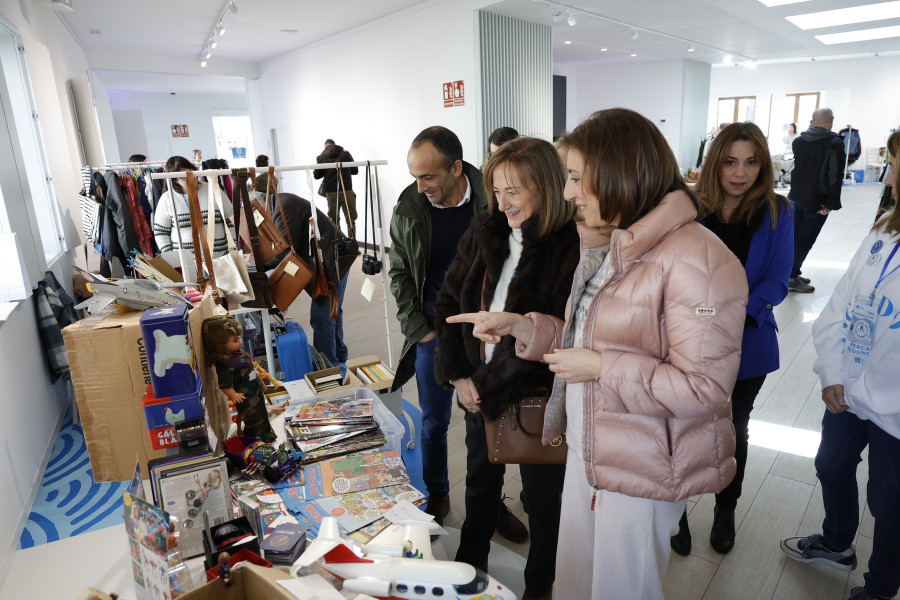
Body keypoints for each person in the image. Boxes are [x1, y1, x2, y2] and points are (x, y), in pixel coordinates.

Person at [447, 108, 748, 599]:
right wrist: (526, 326)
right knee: (577, 583)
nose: (566, 193)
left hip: (640, 467)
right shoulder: (615, 245)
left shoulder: (699, 259)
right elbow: (589, 336)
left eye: (574, 178)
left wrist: (603, 367)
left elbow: (705, 388)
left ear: (619, 173)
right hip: (592, 451)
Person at [434, 136, 579, 600]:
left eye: (513, 191)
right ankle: (467, 573)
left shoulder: (571, 244)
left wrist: (491, 374)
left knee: (543, 501)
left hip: (539, 395)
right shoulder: (485, 230)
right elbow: (450, 300)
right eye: (497, 191)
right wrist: (459, 376)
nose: (503, 203)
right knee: (479, 488)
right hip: (478, 389)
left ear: (547, 186)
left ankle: (540, 587)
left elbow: (569, 332)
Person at [780, 129, 900, 600]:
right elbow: (842, 304)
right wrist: (833, 373)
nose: (888, 175)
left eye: (894, 165)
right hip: (847, 390)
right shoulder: (883, 228)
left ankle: (881, 587)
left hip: (893, 409)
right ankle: (836, 542)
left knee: (888, 502)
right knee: (830, 465)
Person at [670, 122, 793, 556]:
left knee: (733, 430)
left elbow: (778, 280)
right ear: (714, 163)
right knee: (682, 428)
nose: (740, 173)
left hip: (747, 343)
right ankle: (675, 513)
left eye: (751, 162)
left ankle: (726, 509)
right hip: (685, 342)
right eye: (730, 162)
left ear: (762, 165)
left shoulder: (779, 210)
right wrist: (701, 315)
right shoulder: (688, 208)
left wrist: (728, 313)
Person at [388, 126, 489, 525]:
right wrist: (421, 330)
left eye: (428, 176)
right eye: (415, 176)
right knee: (433, 423)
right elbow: (398, 273)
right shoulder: (409, 210)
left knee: (484, 421)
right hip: (433, 331)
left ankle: (489, 503)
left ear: (456, 168)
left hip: (484, 332)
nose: (421, 186)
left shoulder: (491, 201)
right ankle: (437, 494)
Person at [266, 193, 359, 366]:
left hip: (333, 260)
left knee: (322, 317)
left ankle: (328, 365)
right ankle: (338, 357)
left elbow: (284, 250)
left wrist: (258, 264)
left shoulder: (284, 207)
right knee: (332, 311)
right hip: (333, 258)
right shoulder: (282, 203)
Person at [788, 107, 845, 293]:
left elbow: (798, 170)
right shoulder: (834, 143)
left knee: (793, 238)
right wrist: (831, 203)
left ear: (812, 122)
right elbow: (835, 175)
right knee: (805, 240)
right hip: (817, 201)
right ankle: (791, 278)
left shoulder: (798, 141)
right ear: (832, 120)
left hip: (795, 197)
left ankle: (791, 272)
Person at [202, 315, 277, 443]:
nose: (240, 341)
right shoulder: (225, 363)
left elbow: (247, 370)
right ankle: (254, 440)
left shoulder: (238, 354)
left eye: (239, 338)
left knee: (262, 413)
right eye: (235, 340)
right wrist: (233, 395)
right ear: (220, 345)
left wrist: (258, 377)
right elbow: (225, 384)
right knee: (253, 418)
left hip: (255, 390)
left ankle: (266, 434)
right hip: (245, 396)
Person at [153, 155, 236, 258]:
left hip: (220, 258)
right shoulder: (167, 199)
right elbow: (161, 232)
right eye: (183, 177)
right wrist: (172, 257)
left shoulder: (213, 189)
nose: (190, 179)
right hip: (186, 264)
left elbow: (231, 220)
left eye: (191, 173)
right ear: (175, 180)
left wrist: (232, 248)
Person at [314, 139, 358, 237]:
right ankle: (352, 246)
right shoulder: (346, 154)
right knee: (350, 220)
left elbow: (316, 175)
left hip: (331, 193)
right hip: (347, 191)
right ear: (335, 145)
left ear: (325, 147)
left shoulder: (321, 157)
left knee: (334, 221)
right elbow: (355, 170)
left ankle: (339, 246)